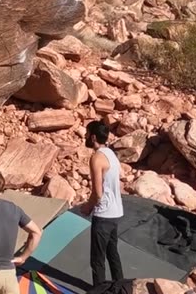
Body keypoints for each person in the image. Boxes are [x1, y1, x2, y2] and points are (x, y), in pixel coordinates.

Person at [80, 120, 124, 286]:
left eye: (86, 133)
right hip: (116, 213)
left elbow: (97, 193)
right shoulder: (111, 154)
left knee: (97, 260)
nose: (84, 136)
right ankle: (121, 287)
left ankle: (99, 290)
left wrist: (87, 207)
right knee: (113, 254)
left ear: (92, 137)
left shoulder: (96, 158)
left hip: (104, 214)